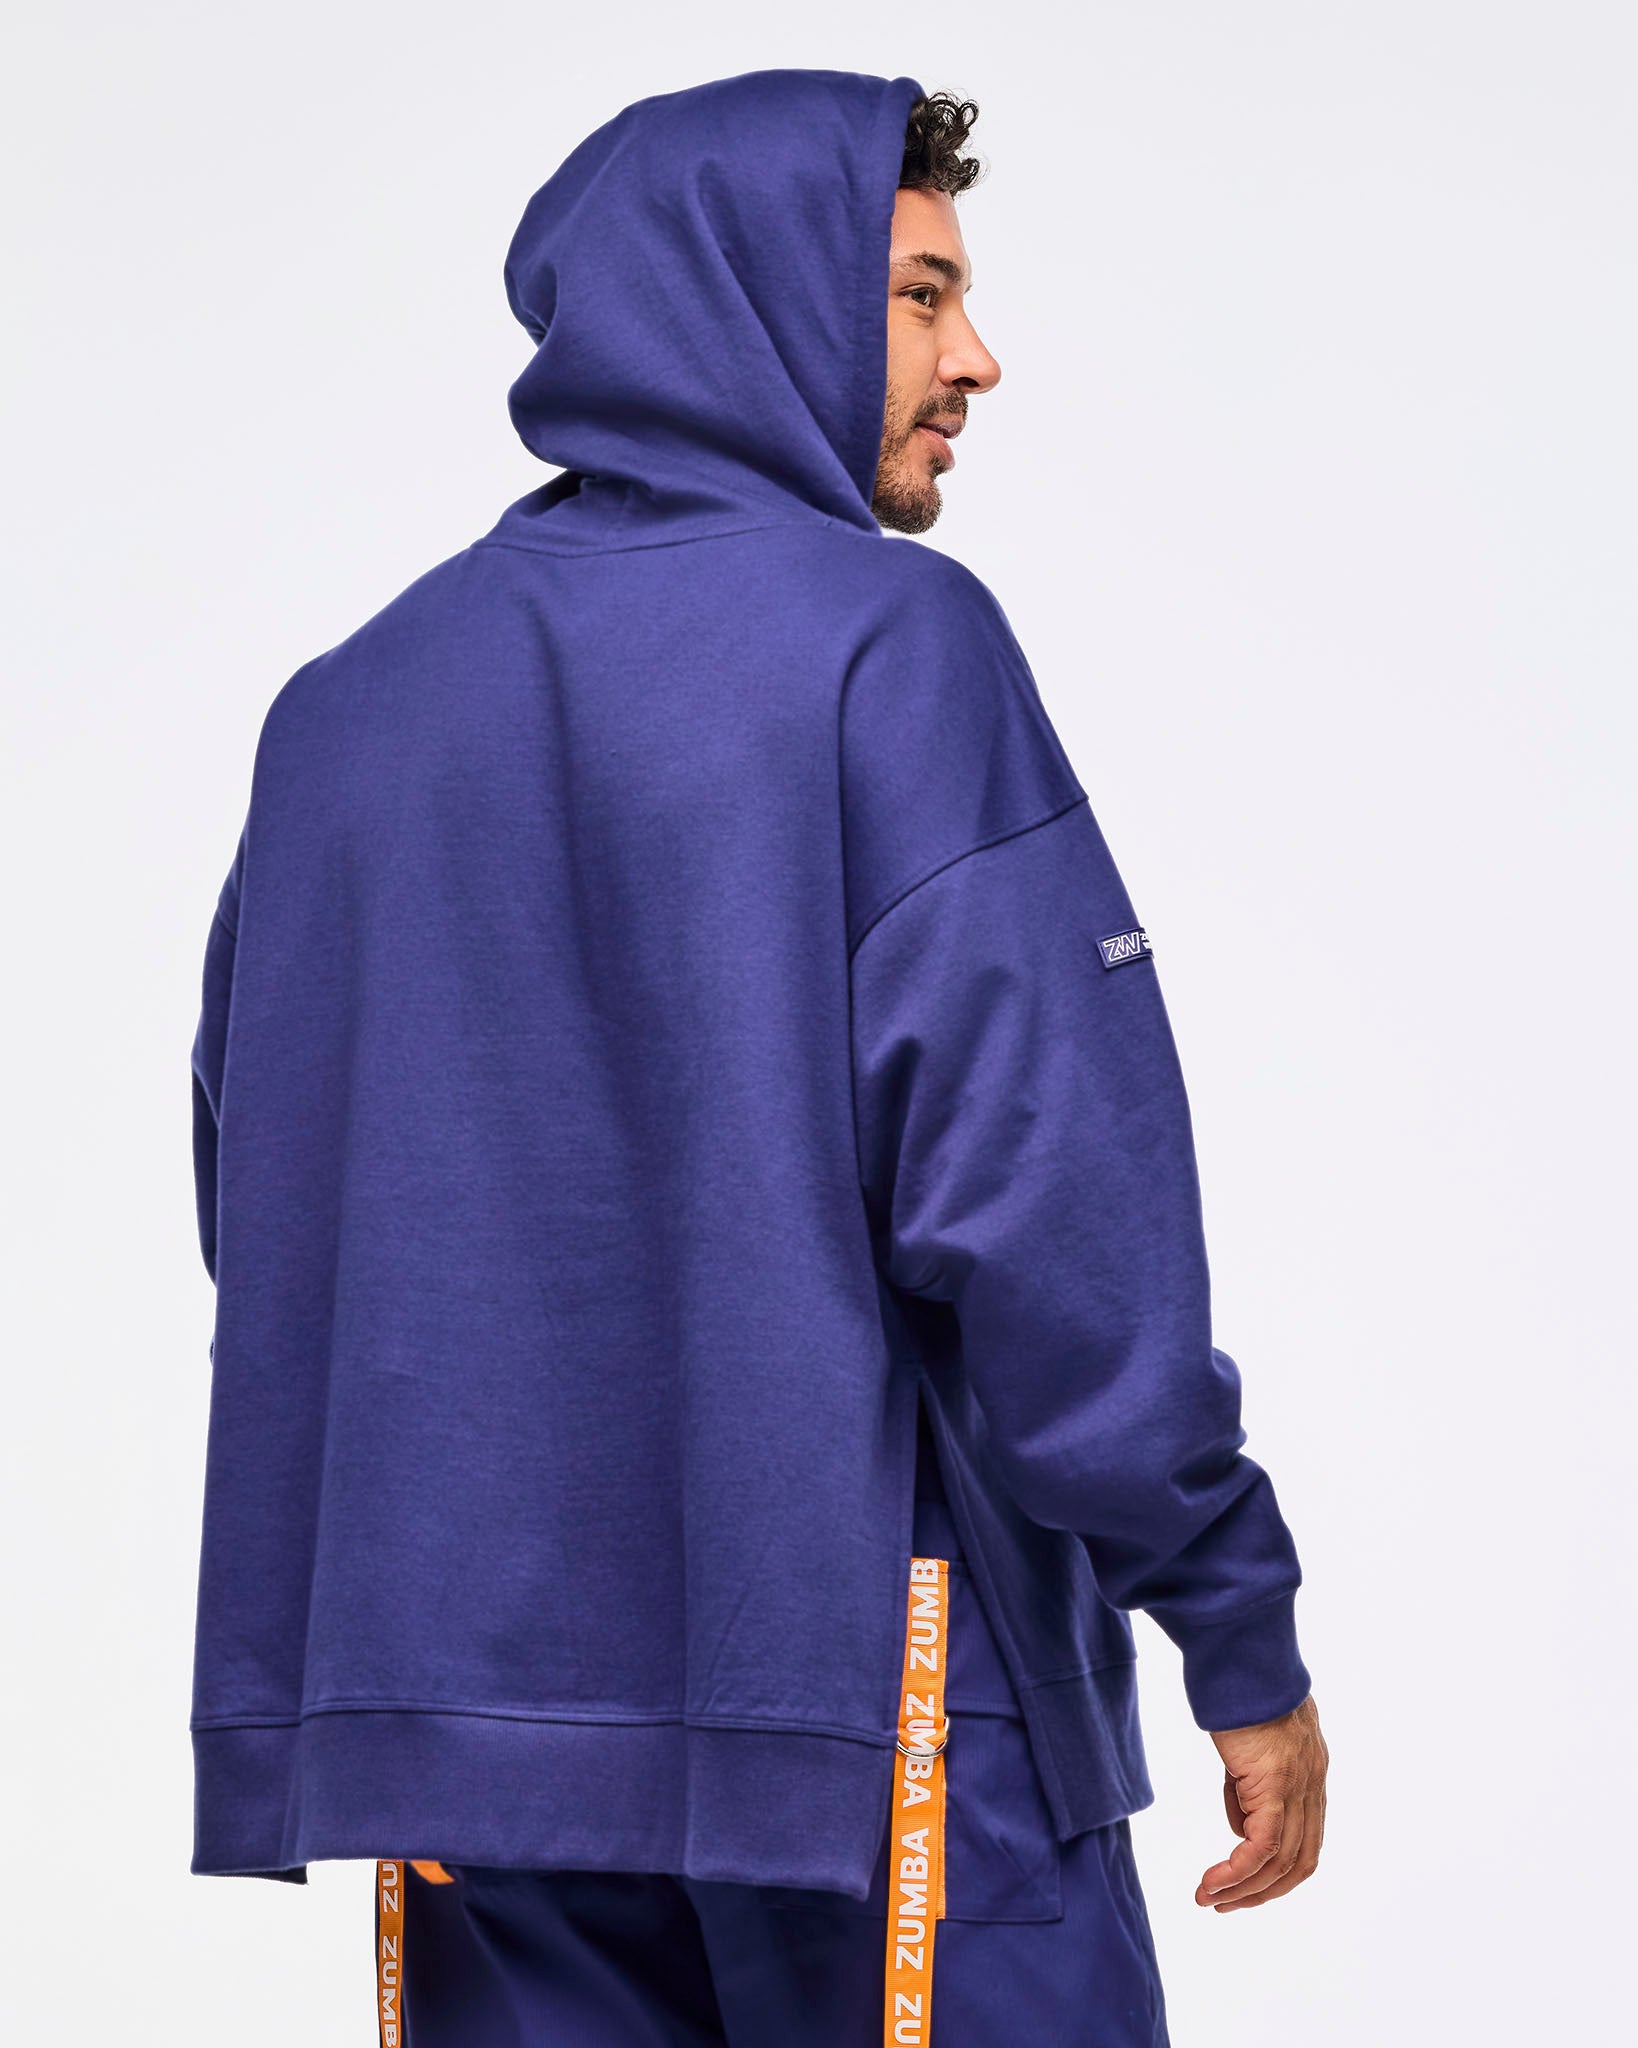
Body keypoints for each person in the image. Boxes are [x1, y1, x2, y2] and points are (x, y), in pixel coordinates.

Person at [187, 68, 1327, 2045]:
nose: (976, 358)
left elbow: (264, 1198)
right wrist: (1235, 1619)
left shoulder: (343, 707)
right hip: (865, 1696)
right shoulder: (892, 647)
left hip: (468, 1733)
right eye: (920, 295)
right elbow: (1049, 1207)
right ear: (752, 294)